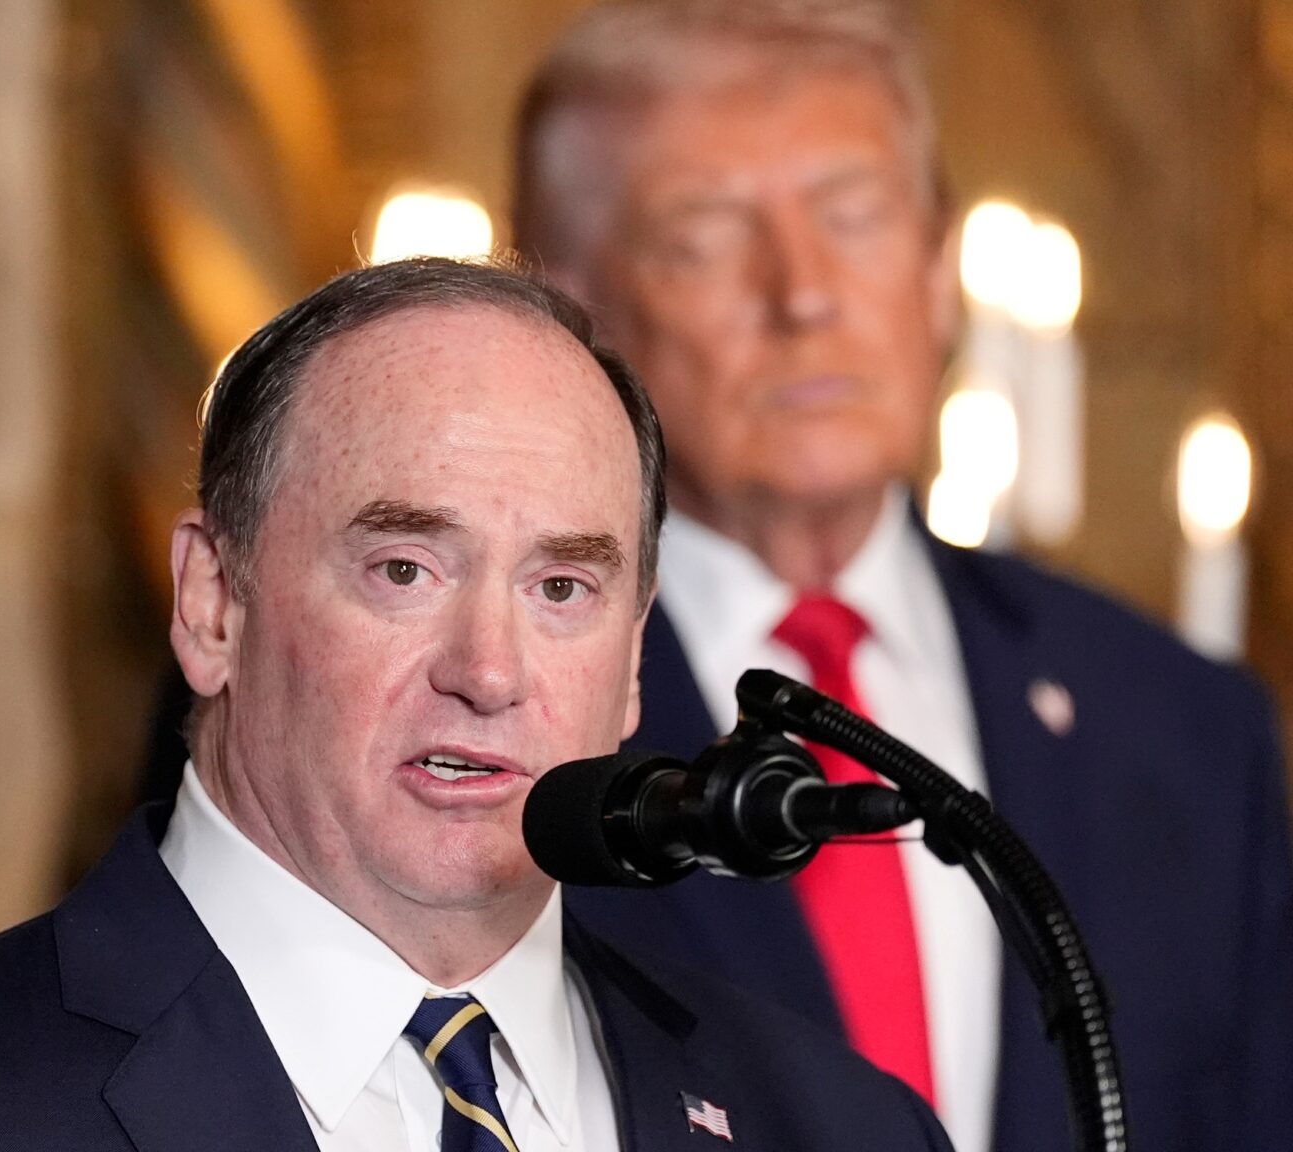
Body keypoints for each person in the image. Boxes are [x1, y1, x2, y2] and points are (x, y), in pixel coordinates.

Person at [0, 257, 954, 1151]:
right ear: (212, 606)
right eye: (404, 569)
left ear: (635, 660)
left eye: (562, 588)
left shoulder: (841, 1127)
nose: (489, 671)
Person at [512, 4, 1293, 1152]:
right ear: (572, 309)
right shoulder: (496, 723)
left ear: (937, 272)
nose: (803, 294)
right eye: (705, 236)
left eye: (855, 216)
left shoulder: (1180, 727)